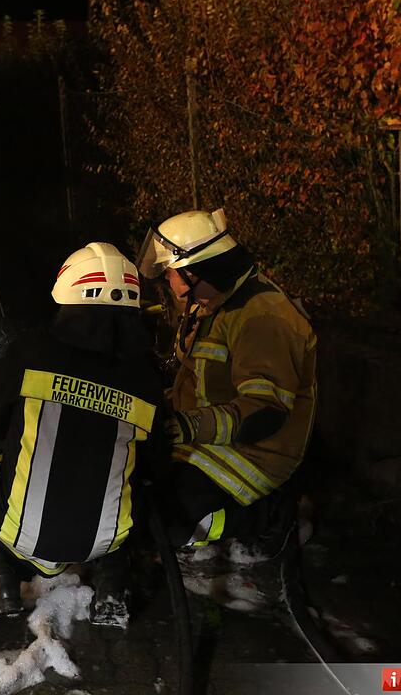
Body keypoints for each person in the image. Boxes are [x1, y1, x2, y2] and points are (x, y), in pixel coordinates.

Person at [0, 242, 163, 625]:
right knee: (131, 486)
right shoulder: (145, 376)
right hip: (108, 536)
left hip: (21, 532)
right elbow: (154, 456)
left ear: (69, 296)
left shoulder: (31, 352)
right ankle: (112, 586)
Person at [135, 208, 316, 552]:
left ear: (195, 272)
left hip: (254, 456)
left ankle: (270, 515)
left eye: (171, 273)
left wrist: (185, 427)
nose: (167, 282)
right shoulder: (216, 305)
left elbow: (265, 411)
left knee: (161, 524)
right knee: (136, 494)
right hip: (207, 444)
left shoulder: (263, 317)